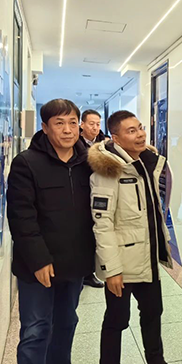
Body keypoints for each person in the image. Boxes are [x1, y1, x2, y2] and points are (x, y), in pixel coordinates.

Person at [88, 110, 182, 364]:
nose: (141, 134)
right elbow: (102, 224)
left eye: (140, 128)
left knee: (153, 314)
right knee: (117, 321)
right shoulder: (107, 171)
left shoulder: (145, 163)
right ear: (116, 138)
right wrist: (112, 270)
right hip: (122, 264)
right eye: (131, 131)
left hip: (147, 258)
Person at [7, 99, 95, 364]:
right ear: (45, 127)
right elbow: (21, 217)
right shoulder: (26, 163)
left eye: (72, 123)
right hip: (37, 266)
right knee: (35, 330)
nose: (68, 130)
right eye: (59, 123)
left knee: (66, 323)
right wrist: (39, 260)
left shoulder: (89, 162)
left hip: (74, 263)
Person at [80, 109, 107, 288]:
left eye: (98, 124)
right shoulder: (75, 143)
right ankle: (82, 273)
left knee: (95, 234)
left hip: (100, 191)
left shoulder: (105, 144)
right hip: (81, 191)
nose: (95, 127)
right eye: (91, 124)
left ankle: (90, 273)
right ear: (82, 124)